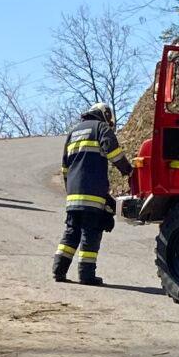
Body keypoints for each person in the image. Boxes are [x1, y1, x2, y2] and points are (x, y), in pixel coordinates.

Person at [55, 102, 125, 285]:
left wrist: (70, 189)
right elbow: (113, 150)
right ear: (105, 115)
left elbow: (64, 167)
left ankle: (59, 270)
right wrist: (128, 170)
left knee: (71, 232)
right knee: (90, 234)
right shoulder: (101, 128)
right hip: (92, 195)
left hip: (72, 196)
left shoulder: (73, 132)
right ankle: (86, 276)